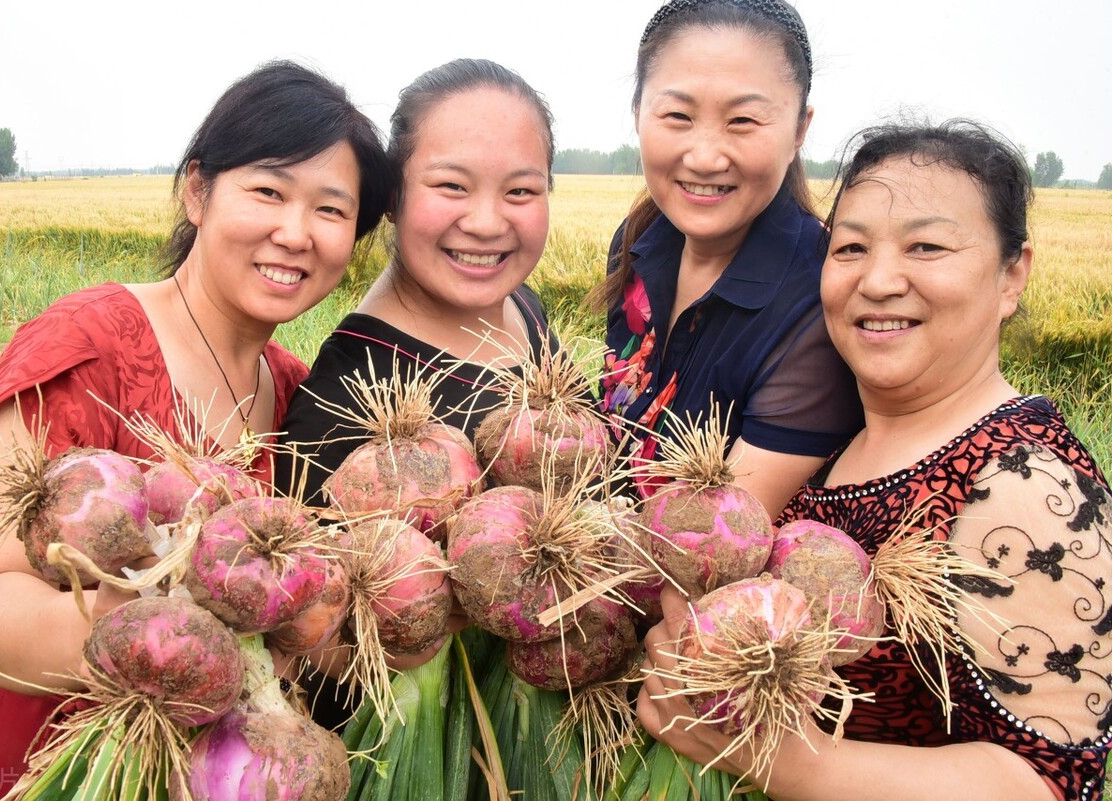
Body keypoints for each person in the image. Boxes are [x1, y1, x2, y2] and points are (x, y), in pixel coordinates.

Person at [0, 61, 394, 801]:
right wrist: (171, 631)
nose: (295, 232)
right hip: (44, 767)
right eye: (268, 191)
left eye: (332, 211)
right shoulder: (81, 346)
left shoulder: (302, 396)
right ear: (197, 190)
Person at [637, 120, 1112, 800]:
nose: (880, 279)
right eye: (851, 247)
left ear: (1013, 275)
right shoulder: (840, 438)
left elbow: (1053, 778)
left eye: (926, 246)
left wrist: (790, 761)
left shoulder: (1026, 484)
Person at [274, 57, 557, 728]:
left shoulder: (524, 309)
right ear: (394, 196)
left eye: (521, 191)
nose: (487, 223)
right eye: (452, 186)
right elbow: (320, 647)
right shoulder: (346, 399)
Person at [594, 0, 862, 517]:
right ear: (637, 114)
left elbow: (724, 539)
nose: (706, 156)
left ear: (799, 129)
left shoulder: (820, 299)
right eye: (677, 115)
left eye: (743, 120)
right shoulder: (638, 239)